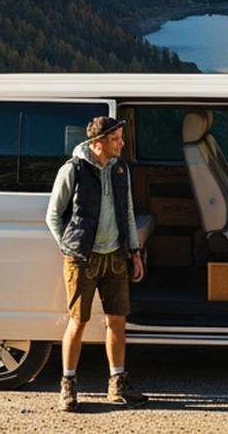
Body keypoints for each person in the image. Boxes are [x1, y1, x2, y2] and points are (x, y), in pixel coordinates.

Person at [46, 114, 147, 411]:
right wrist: (69, 248)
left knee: (117, 321)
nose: (122, 143)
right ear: (99, 143)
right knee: (78, 322)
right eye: (116, 139)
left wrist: (134, 251)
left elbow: (127, 211)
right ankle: (68, 385)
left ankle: (117, 384)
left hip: (114, 256)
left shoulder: (120, 169)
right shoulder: (73, 170)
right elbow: (53, 214)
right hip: (82, 259)